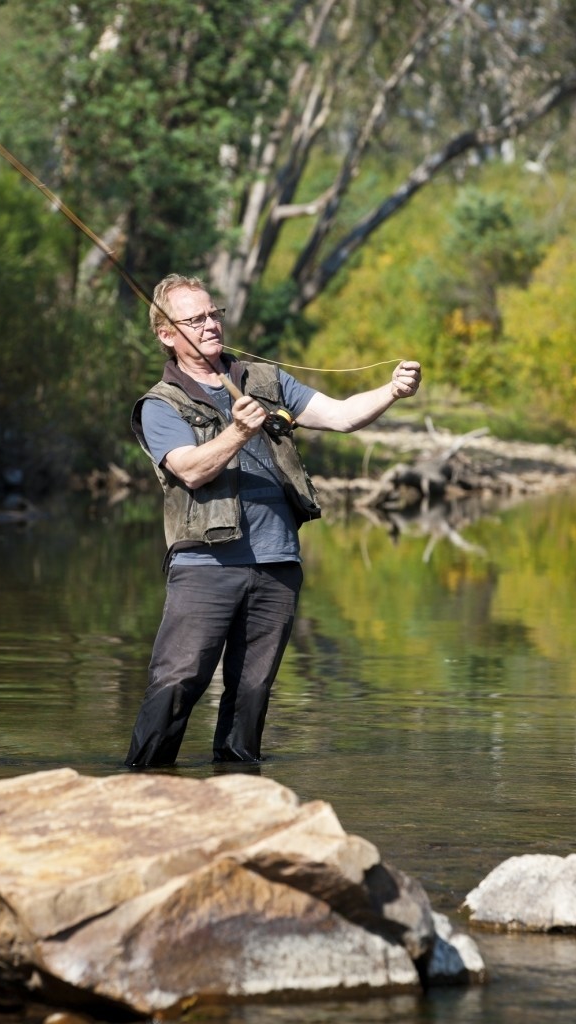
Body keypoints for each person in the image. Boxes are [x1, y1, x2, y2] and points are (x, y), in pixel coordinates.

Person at [124, 274, 421, 768]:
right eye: (193, 319)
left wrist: (391, 391)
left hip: (278, 563)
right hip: (205, 566)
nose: (209, 324)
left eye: (212, 313)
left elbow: (343, 415)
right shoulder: (160, 403)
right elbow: (190, 470)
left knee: (251, 692)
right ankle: (140, 783)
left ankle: (241, 794)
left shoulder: (265, 380)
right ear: (165, 334)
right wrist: (239, 432)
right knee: (178, 681)